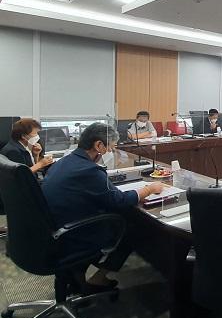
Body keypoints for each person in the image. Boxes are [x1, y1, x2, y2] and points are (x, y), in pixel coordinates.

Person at [42, 123, 165, 292]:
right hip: (72, 234)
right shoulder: (89, 170)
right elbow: (119, 201)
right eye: (111, 147)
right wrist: (149, 189)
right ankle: (99, 278)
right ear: (99, 145)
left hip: (54, 229)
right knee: (134, 225)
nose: (111, 152)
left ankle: (77, 273)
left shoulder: (65, 161)